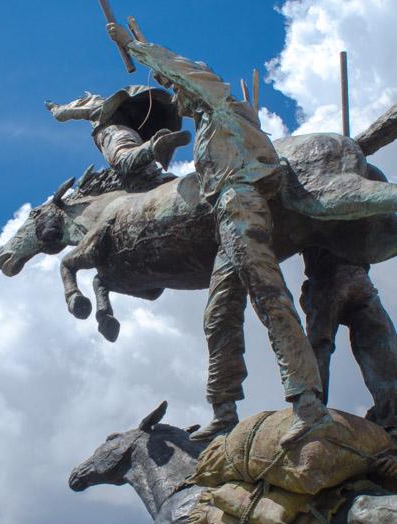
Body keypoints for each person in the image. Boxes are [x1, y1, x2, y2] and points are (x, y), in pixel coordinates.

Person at [107, 22, 330, 445]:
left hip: (242, 207)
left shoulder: (222, 105)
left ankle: (306, 402)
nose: (177, 99)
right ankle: (224, 410)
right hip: (224, 220)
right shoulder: (211, 129)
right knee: (219, 315)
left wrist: (134, 46)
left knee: (269, 296)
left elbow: (181, 71)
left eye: (179, 91)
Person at [301, 247, 397, 436]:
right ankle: (309, 411)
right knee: (379, 344)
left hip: (352, 278)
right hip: (332, 276)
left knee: (379, 345)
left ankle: (309, 410)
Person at [45, 85, 190, 192]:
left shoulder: (94, 103)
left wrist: (54, 108)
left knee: (123, 159)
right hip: (136, 136)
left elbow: (63, 114)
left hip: (113, 131)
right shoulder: (119, 105)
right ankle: (169, 178)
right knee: (148, 175)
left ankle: (155, 145)